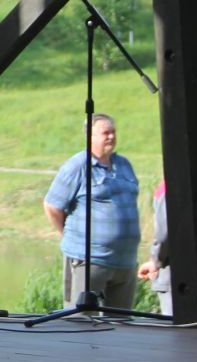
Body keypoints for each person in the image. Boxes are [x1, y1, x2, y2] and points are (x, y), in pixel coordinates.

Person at [43, 113, 141, 312]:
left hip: (125, 262)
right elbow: (52, 206)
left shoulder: (124, 165)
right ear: (90, 136)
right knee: (80, 321)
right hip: (88, 260)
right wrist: (71, 235)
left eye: (113, 132)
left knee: (122, 325)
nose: (111, 137)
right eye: (106, 133)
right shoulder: (77, 166)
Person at [139, 178, 172, 316]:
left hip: (174, 278)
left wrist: (155, 261)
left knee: (178, 332)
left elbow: (164, 233)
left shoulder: (170, 185)